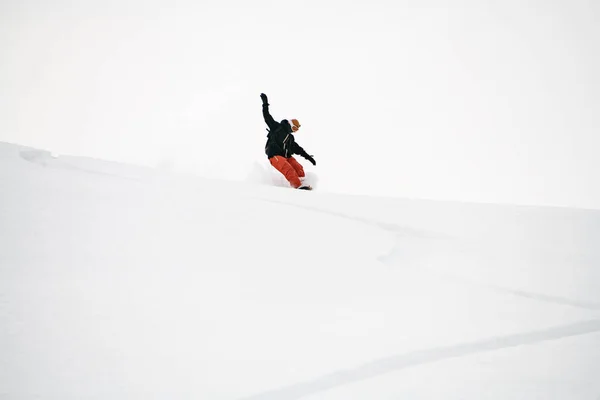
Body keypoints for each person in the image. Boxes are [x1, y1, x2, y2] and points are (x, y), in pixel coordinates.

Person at [260, 93, 316, 190]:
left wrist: (308, 157)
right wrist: (265, 104)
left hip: (286, 156)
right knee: (288, 168)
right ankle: (297, 187)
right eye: (294, 128)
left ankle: (303, 184)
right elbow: (267, 117)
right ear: (290, 125)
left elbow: (298, 149)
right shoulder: (277, 127)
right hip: (275, 155)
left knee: (299, 168)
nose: (294, 131)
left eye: (296, 130)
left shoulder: (290, 138)